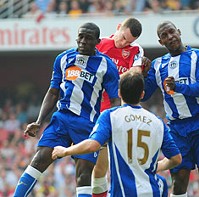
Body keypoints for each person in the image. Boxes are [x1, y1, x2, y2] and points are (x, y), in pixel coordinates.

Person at [13, 22, 120, 197]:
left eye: (89, 38)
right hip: (62, 119)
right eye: (81, 36)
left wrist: (110, 128)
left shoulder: (106, 65)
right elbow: (53, 91)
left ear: (97, 41)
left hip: (88, 123)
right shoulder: (63, 58)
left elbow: (115, 99)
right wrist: (39, 121)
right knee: (39, 159)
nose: (83, 41)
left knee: (84, 174)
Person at [51, 71, 182, 197]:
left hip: (123, 192)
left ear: (119, 93)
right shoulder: (157, 122)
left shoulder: (111, 116)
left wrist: (65, 151)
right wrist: (154, 167)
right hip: (152, 190)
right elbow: (176, 159)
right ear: (142, 94)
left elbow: (93, 145)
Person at [142, 21, 199, 197]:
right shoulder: (158, 65)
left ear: (179, 32)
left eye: (172, 32)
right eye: (164, 35)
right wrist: (142, 74)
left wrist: (178, 87)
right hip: (177, 130)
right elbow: (143, 95)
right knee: (178, 183)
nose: (170, 37)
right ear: (160, 42)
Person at [92, 17, 151, 197]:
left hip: (120, 114)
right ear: (118, 27)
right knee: (99, 168)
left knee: (124, 166)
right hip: (96, 111)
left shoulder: (136, 50)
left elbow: (134, 75)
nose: (123, 43)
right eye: (123, 37)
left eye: (128, 41)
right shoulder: (99, 44)